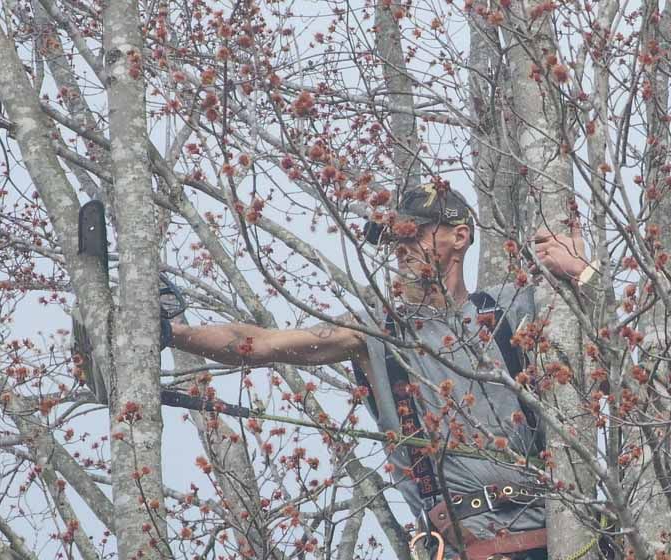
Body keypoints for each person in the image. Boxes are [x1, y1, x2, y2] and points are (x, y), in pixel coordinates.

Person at [164, 184, 595, 560]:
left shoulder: (512, 306)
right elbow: (260, 344)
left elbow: (627, 351)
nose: (400, 250)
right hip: (465, 545)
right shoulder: (379, 335)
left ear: (459, 237)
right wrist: (173, 331)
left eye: (413, 235)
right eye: (393, 241)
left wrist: (584, 272)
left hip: (560, 537)